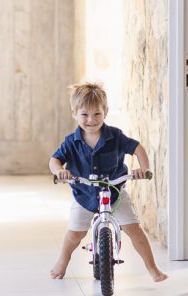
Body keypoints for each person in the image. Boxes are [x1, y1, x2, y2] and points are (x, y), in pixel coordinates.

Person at [49, 82, 168, 282]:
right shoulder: (72, 141)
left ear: (105, 112)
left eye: (97, 114)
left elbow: (137, 148)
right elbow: (55, 160)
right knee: (75, 234)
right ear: (74, 114)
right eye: (84, 115)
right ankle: (62, 260)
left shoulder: (115, 136)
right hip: (84, 194)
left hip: (115, 193)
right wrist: (59, 171)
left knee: (135, 230)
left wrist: (143, 168)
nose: (91, 120)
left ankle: (152, 268)